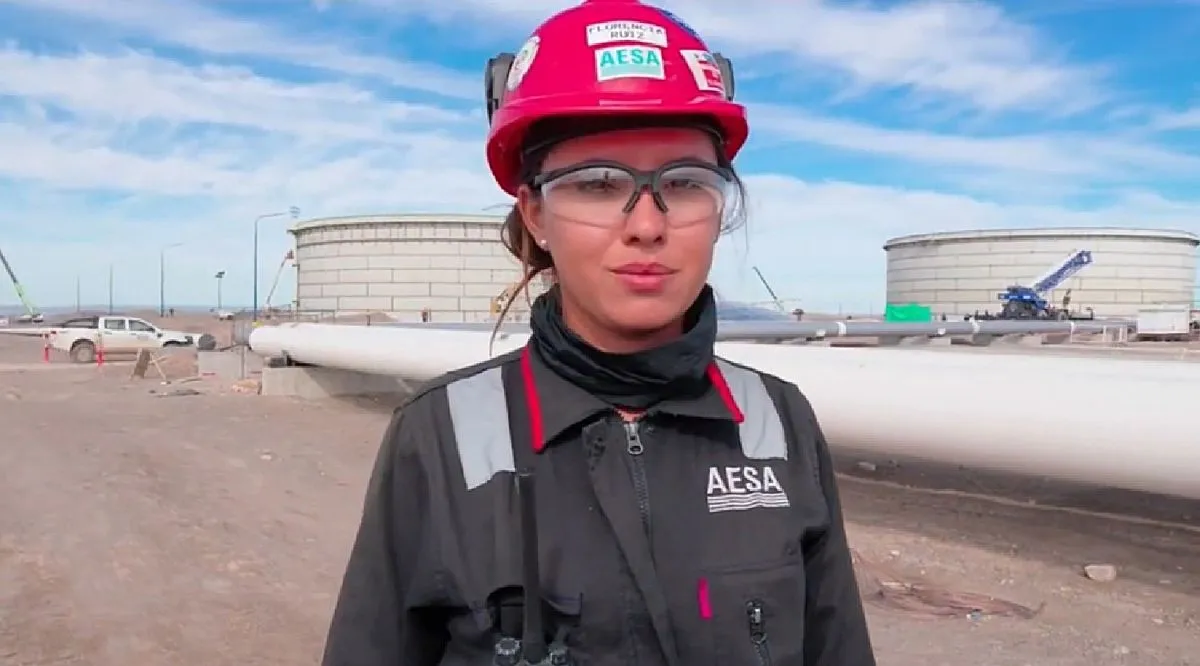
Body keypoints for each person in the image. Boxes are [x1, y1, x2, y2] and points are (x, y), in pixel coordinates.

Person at [321, 1, 876, 664]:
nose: (647, 223)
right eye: (597, 183)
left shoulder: (779, 422)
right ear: (535, 215)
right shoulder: (439, 435)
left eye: (687, 181)